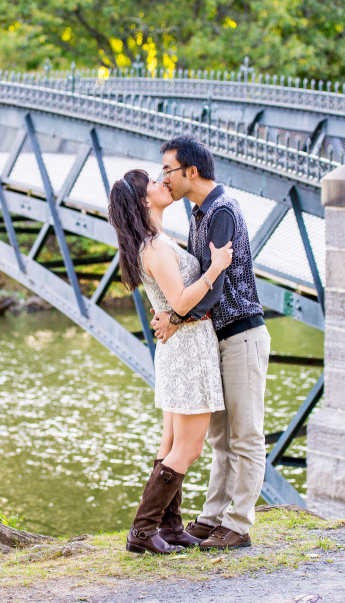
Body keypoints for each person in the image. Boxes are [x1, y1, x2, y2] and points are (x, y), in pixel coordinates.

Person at [152, 136, 271, 552]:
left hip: (241, 333)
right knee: (221, 439)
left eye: (168, 170)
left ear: (191, 171)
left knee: (246, 436)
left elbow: (216, 284)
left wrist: (176, 317)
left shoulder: (221, 211)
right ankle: (212, 516)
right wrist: (170, 312)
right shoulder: (199, 215)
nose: (164, 178)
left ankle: (238, 523)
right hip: (215, 337)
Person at [107, 169, 233, 555]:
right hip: (188, 350)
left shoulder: (154, 242)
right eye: (155, 184)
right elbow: (179, 302)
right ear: (145, 201)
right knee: (189, 449)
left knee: (171, 443)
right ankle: (142, 531)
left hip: (182, 348)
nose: (164, 184)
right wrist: (215, 267)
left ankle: (171, 526)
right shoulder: (155, 247)